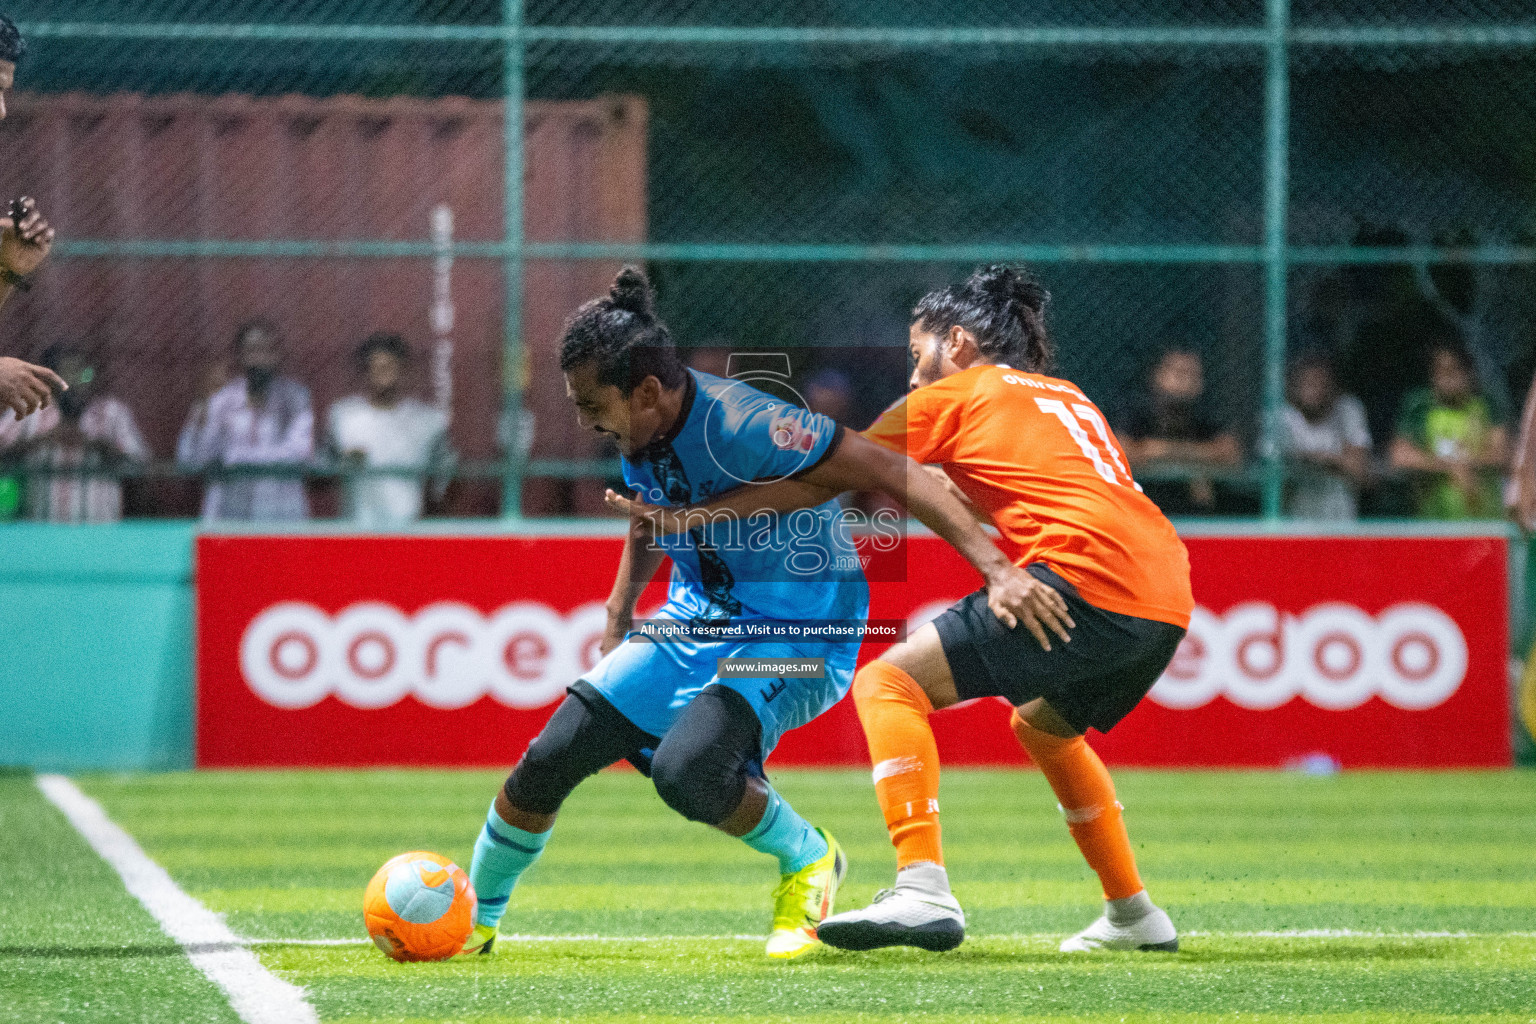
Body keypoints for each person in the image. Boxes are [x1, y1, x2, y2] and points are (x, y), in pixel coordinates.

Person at [463, 267, 1047, 961]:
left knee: (687, 773)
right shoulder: (642, 426)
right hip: (697, 617)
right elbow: (655, 516)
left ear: (646, 390)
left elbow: (893, 469)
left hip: (802, 634)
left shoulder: (749, 422)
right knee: (549, 760)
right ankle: (471, 922)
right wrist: (620, 615)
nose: (583, 416)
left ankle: (809, 856)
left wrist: (996, 567)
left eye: (591, 401)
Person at [617, 265, 1191, 954]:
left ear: (959, 343)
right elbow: (1013, 491)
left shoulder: (957, 394)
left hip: (1084, 576)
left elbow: (817, 480)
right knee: (1047, 730)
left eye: (919, 357)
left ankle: (922, 887)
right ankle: (1133, 914)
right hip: (1165, 595)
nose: (915, 380)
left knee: (887, 683)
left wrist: (692, 520)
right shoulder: (1063, 396)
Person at [177, 320, 314, 521]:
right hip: (229, 514)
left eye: (267, 350)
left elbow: (298, 452)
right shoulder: (221, 398)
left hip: (280, 514)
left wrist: (233, 456)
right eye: (252, 350)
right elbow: (192, 457)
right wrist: (204, 404)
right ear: (239, 356)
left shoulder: (296, 398)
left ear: (278, 356)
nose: (259, 359)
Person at [0, 343, 148, 522]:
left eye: (82, 373)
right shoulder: (29, 409)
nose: (76, 381)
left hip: (99, 529)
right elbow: (3, 454)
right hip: (41, 528)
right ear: (50, 379)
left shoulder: (112, 413)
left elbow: (140, 465)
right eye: (67, 374)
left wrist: (99, 446)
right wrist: (41, 441)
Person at [326, 332, 455, 527]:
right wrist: (342, 463)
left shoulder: (426, 421)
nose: (383, 374)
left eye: (389, 367)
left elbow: (448, 474)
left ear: (403, 370)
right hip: (356, 528)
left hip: (407, 529)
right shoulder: (343, 416)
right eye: (376, 368)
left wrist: (432, 512)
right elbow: (319, 471)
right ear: (365, 371)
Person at [1390, 341, 1509, 520]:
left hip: (1485, 522)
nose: (1448, 378)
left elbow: (1501, 452)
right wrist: (1448, 467)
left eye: (1454, 370)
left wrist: (1468, 463)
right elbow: (1400, 456)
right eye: (1440, 371)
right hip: (1434, 524)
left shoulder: (1486, 405)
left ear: (1469, 373)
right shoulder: (1420, 407)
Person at [1118, 346, 1242, 515]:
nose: (1185, 381)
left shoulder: (1206, 415)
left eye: (1192, 374)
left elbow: (1229, 454)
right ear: (1157, 375)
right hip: (1143, 510)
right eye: (1177, 372)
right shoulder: (1137, 413)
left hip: (1196, 513)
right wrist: (1199, 460)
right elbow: (1124, 454)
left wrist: (1157, 451)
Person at [1279, 353, 1372, 521]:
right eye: (1307, 383)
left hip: (1340, 522)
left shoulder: (1348, 410)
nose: (1314, 390)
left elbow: (1361, 472)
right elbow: (1275, 476)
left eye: (1320, 382)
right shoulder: (1283, 417)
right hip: (1294, 524)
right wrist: (1329, 460)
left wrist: (1327, 460)